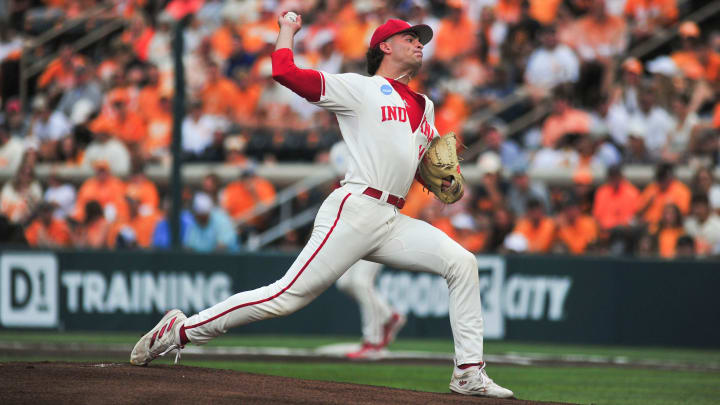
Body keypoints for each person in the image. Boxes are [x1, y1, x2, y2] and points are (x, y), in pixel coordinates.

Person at [130, 13, 513, 399]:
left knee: (463, 263)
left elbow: (416, 163)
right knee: (284, 297)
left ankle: (468, 372)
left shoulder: (425, 106)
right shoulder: (360, 89)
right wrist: (287, 30)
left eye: (421, 39)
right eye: (410, 37)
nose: (419, 43)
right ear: (385, 46)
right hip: (355, 208)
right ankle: (180, 331)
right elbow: (284, 71)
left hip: (391, 218)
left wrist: (443, 179)